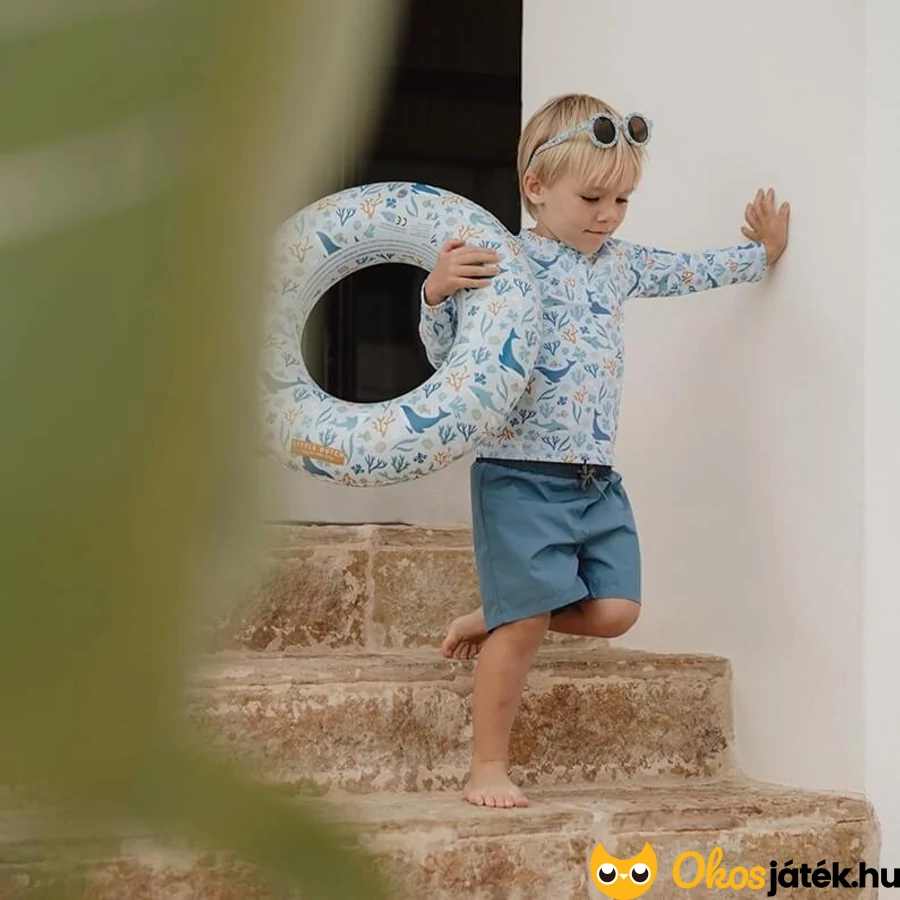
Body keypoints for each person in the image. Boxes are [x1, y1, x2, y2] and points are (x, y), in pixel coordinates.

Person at [417, 93, 790, 810]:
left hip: (594, 480)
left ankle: (497, 611)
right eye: (592, 199)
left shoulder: (620, 264)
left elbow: (690, 270)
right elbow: (450, 359)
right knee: (525, 628)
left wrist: (761, 255)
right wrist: (435, 295)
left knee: (617, 610)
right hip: (519, 476)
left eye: (621, 200)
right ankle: (486, 766)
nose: (608, 215)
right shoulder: (506, 262)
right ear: (536, 187)